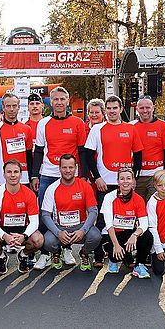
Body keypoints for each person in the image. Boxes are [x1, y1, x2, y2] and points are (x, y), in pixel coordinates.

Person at [31, 86, 87, 270]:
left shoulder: (78, 123)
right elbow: (38, 151)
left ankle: (67, 249)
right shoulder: (43, 123)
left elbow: (82, 151)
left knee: (69, 212)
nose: (59, 102)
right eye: (56, 99)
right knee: (44, 213)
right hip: (48, 174)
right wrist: (34, 175)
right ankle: (46, 253)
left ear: (68, 101)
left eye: (63, 99)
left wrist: (84, 175)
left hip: (71, 175)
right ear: (51, 102)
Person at [84, 95, 143, 267]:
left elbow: (138, 154)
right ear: (105, 111)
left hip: (125, 183)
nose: (111, 111)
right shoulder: (97, 129)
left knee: (127, 220)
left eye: (114, 108)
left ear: (120, 109)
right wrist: (97, 178)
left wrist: (134, 178)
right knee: (103, 220)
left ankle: (126, 254)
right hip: (105, 182)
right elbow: (89, 156)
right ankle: (98, 253)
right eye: (108, 108)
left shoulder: (131, 129)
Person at [41, 154, 100, 271]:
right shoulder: (52, 188)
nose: (67, 171)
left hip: (80, 226)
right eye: (64, 167)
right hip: (60, 227)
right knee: (47, 241)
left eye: (71, 167)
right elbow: (45, 215)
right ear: (59, 169)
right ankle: (57, 252)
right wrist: (58, 233)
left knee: (96, 236)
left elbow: (93, 211)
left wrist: (83, 231)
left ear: (76, 168)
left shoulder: (85, 186)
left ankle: (84, 253)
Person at [0, 159, 44, 275]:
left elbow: (34, 222)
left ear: (21, 175)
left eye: (16, 172)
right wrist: (4, 236)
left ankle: (23, 255)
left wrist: (24, 236)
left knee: (38, 240)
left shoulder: (29, 194)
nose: (12, 175)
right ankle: (1, 256)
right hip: (2, 229)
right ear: (4, 174)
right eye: (9, 172)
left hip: (22, 229)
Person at [100, 167, 153, 277]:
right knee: (114, 253)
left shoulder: (138, 199)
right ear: (117, 181)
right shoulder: (109, 197)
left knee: (147, 236)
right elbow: (109, 224)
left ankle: (139, 265)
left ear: (133, 181)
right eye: (122, 179)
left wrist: (135, 235)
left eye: (128, 178)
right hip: (114, 234)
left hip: (130, 233)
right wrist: (116, 245)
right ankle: (113, 260)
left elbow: (144, 223)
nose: (125, 182)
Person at [0, 93, 33, 191]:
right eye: (8, 106)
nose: (11, 109)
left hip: (23, 179)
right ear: (3, 107)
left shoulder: (27, 129)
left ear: (19, 107)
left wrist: (31, 178)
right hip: (2, 180)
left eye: (14, 106)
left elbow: (29, 157)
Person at [132, 96, 165, 202]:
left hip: (156, 175)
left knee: (154, 207)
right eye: (141, 108)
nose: (145, 110)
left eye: (148, 107)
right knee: (138, 208)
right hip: (137, 177)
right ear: (137, 109)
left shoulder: (163, 126)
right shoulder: (131, 126)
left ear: (153, 108)